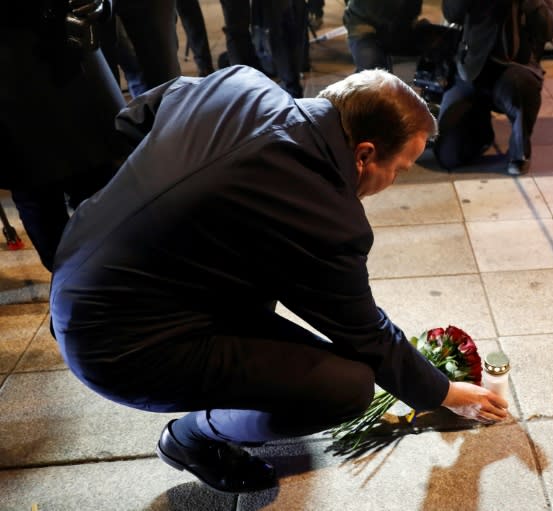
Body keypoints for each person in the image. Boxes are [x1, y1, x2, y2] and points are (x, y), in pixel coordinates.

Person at [49, 67, 509, 493]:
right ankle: (190, 438)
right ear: (365, 154)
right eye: (399, 169)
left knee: (258, 278)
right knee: (345, 387)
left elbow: (133, 121)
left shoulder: (239, 84)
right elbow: (365, 334)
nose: (394, 180)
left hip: (76, 270)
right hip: (121, 347)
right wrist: (442, 392)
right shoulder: (325, 213)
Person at [1, 0, 130, 271]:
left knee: (116, 213)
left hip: (78, 70)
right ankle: (75, 298)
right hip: (13, 90)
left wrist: (102, 4)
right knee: (46, 221)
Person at [432, 0, 553, 175]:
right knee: (448, 155)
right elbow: (452, 13)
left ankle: (519, 152)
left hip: (515, 66)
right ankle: (481, 132)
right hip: (471, 68)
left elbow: (549, 30)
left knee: (520, 87)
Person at [343, 0, 455, 73]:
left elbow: (455, 12)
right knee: (373, 74)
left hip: (405, 28)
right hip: (366, 28)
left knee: (452, 41)